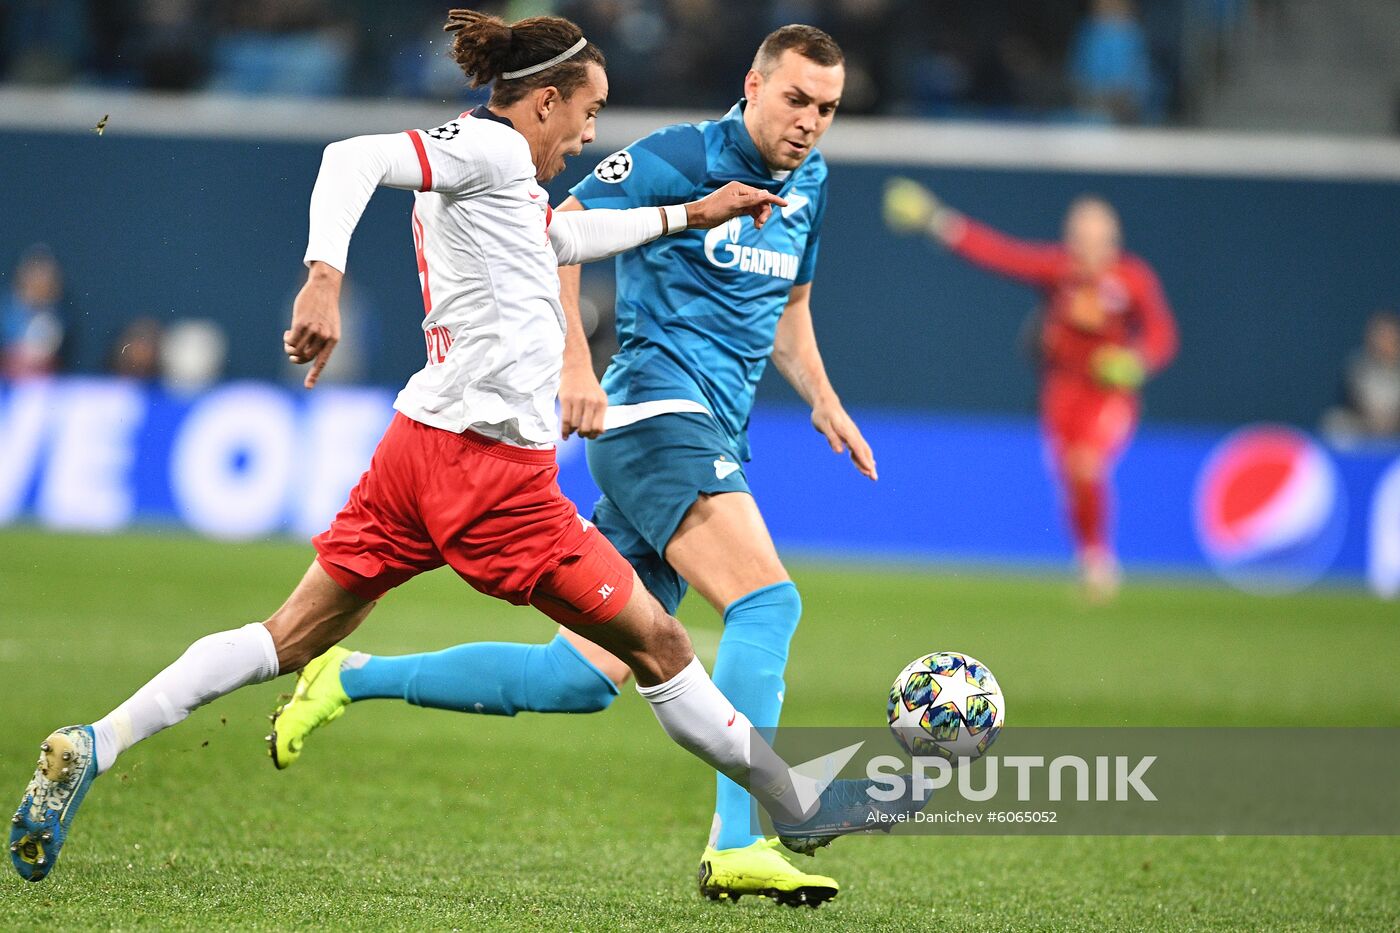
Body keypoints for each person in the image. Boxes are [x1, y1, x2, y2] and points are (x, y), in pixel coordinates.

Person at [9, 10, 896, 885]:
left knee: (285, 637)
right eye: (587, 112)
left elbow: (560, 237)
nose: (589, 136)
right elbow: (348, 157)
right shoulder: (494, 150)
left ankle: (100, 739)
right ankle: (789, 800)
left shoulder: (503, 173)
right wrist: (324, 279)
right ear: (544, 102)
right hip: (494, 476)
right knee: (662, 646)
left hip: (414, 451)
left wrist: (688, 215)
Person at [267, 24, 871, 908]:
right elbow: (561, 232)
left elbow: (792, 308)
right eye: (796, 100)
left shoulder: (809, 184)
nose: (810, 121)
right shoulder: (680, 155)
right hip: (655, 412)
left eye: (827, 108)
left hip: (710, 429)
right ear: (753, 84)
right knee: (766, 601)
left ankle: (349, 676)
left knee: (578, 679)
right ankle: (741, 839)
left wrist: (823, 397)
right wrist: (575, 363)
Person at [883, 179, 1177, 601]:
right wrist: (938, 221)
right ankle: (1088, 556)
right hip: (1061, 391)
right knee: (1070, 475)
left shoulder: (1132, 278)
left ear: (1113, 240)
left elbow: (1162, 333)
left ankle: (1098, 562)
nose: (1088, 247)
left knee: (1087, 463)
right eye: (1080, 236)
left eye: (1097, 238)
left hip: (1107, 394)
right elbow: (1000, 255)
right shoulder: (1060, 269)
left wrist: (1136, 361)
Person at [1322, 310, 1400, 443]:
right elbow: (1355, 403)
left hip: (1396, 428)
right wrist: (1376, 421)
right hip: (1366, 427)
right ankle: (1350, 462)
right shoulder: (1357, 365)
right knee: (1335, 420)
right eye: (1380, 335)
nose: (1384, 341)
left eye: (1389, 335)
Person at [1, 245, 67, 379]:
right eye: (34, 274)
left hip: (43, 387)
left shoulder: (60, 317)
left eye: (45, 276)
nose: (39, 281)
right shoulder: (6, 311)